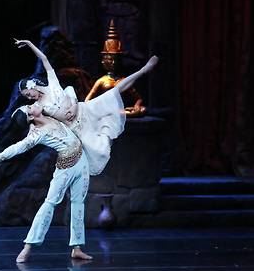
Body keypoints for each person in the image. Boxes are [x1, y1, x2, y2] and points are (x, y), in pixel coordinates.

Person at [15, 38, 158, 175]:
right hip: (77, 128)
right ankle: (105, 130)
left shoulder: (51, 83)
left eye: (28, 93)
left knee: (114, 92)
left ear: (32, 86)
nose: (29, 97)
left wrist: (29, 44)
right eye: (26, 97)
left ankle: (143, 70)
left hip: (84, 110)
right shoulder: (37, 106)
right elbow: (32, 121)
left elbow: (44, 59)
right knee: (100, 152)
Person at [0, 104, 93, 263]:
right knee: (50, 203)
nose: (32, 105)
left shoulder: (50, 114)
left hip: (82, 161)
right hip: (66, 168)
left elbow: (63, 95)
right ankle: (28, 246)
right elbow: (19, 146)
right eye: (29, 107)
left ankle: (77, 248)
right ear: (31, 117)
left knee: (78, 203)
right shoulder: (38, 134)